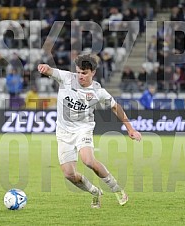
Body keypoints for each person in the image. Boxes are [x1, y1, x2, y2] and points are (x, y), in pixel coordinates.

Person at [38, 54, 142, 208]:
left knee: (88, 160)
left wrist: (130, 128)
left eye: (84, 73)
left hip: (83, 129)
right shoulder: (67, 78)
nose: (80, 76)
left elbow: (115, 107)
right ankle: (94, 192)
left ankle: (117, 190)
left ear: (93, 72)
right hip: (63, 132)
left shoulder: (98, 91)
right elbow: (50, 71)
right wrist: (45, 68)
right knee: (69, 174)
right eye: (79, 72)